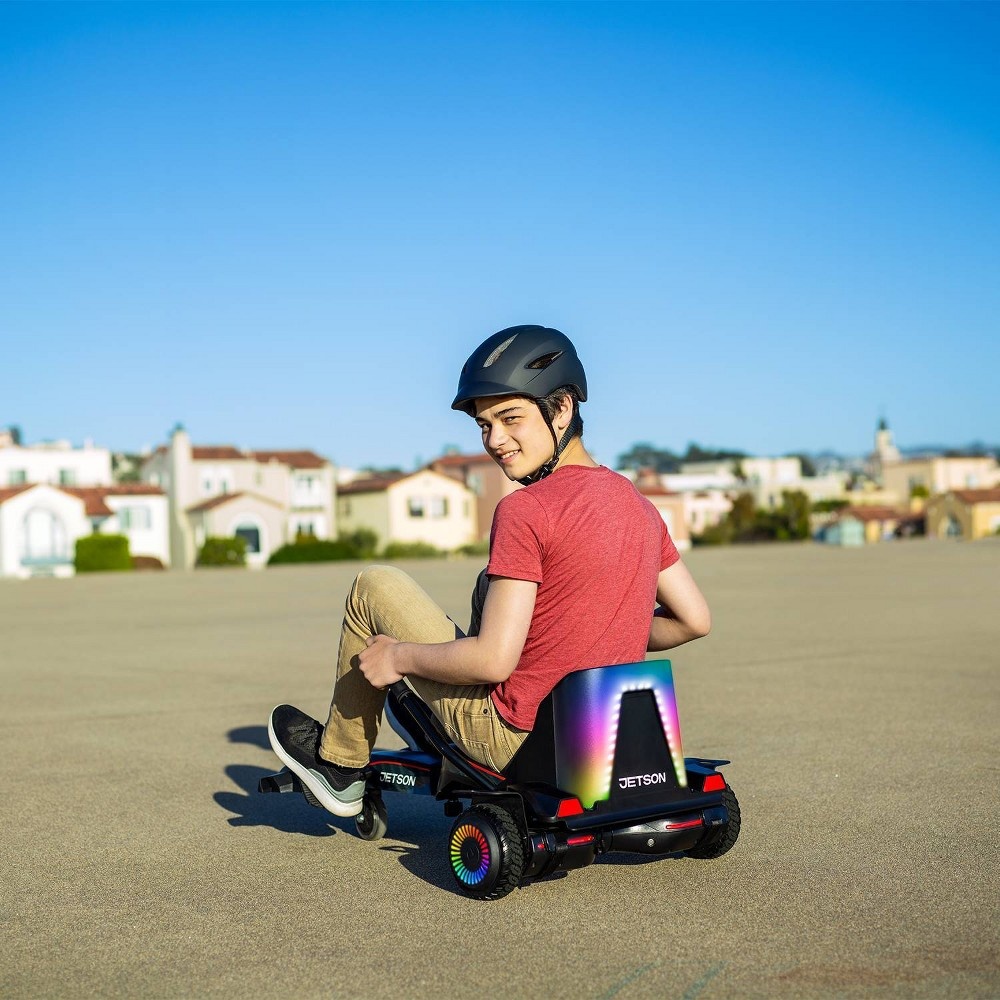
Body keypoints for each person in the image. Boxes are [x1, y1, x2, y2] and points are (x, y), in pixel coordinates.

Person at [268, 324, 711, 818]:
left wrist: (398, 658)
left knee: (375, 585)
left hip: (514, 741)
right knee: (490, 584)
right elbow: (694, 620)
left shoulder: (526, 510)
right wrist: (601, 630)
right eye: (484, 425)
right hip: (596, 738)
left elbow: (493, 662)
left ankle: (340, 765)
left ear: (561, 408)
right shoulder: (638, 505)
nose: (495, 440)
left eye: (510, 418)